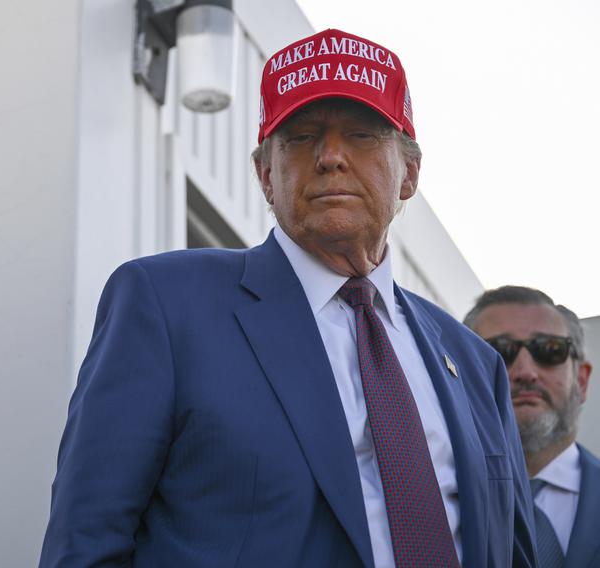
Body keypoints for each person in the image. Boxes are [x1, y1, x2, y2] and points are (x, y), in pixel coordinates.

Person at [40, 28, 535, 567]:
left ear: (410, 173)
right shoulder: (166, 305)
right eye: (300, 136)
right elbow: (87, 542)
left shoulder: (475, 364)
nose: (330, 156)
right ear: (265, 173)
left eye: (362, 134)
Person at [465, 286, 599, 567]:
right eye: (498, 352)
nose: (525, 372)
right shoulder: (424, 496)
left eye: (550, 350)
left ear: (582, 381)